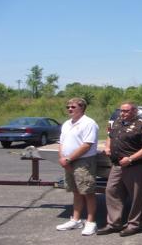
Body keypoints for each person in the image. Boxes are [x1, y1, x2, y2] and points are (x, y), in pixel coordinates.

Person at [97, 102, 142, 237]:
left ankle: (134, 224)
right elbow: (110, 137)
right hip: (117, 165)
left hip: (135, 166)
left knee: (136, 196)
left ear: (134, 111)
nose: (123, 113)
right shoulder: (117, 122)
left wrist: (130, 159)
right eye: (121, 111)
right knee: (112, 191)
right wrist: (107, 147)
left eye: (126, 111)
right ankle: (114, 223)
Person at [56, 97, 99, 236]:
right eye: (68, 107)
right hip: (68, 162)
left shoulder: (89, 123)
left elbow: (87, 145)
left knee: (87, 192)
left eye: (73, 107)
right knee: (76, 191)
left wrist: (69, 159)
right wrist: (62, 158)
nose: (69, 109)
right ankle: (76, 220)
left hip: (83, 162)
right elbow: (61, 142)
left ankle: (91, 222)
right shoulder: (67, 124)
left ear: (82, 108)